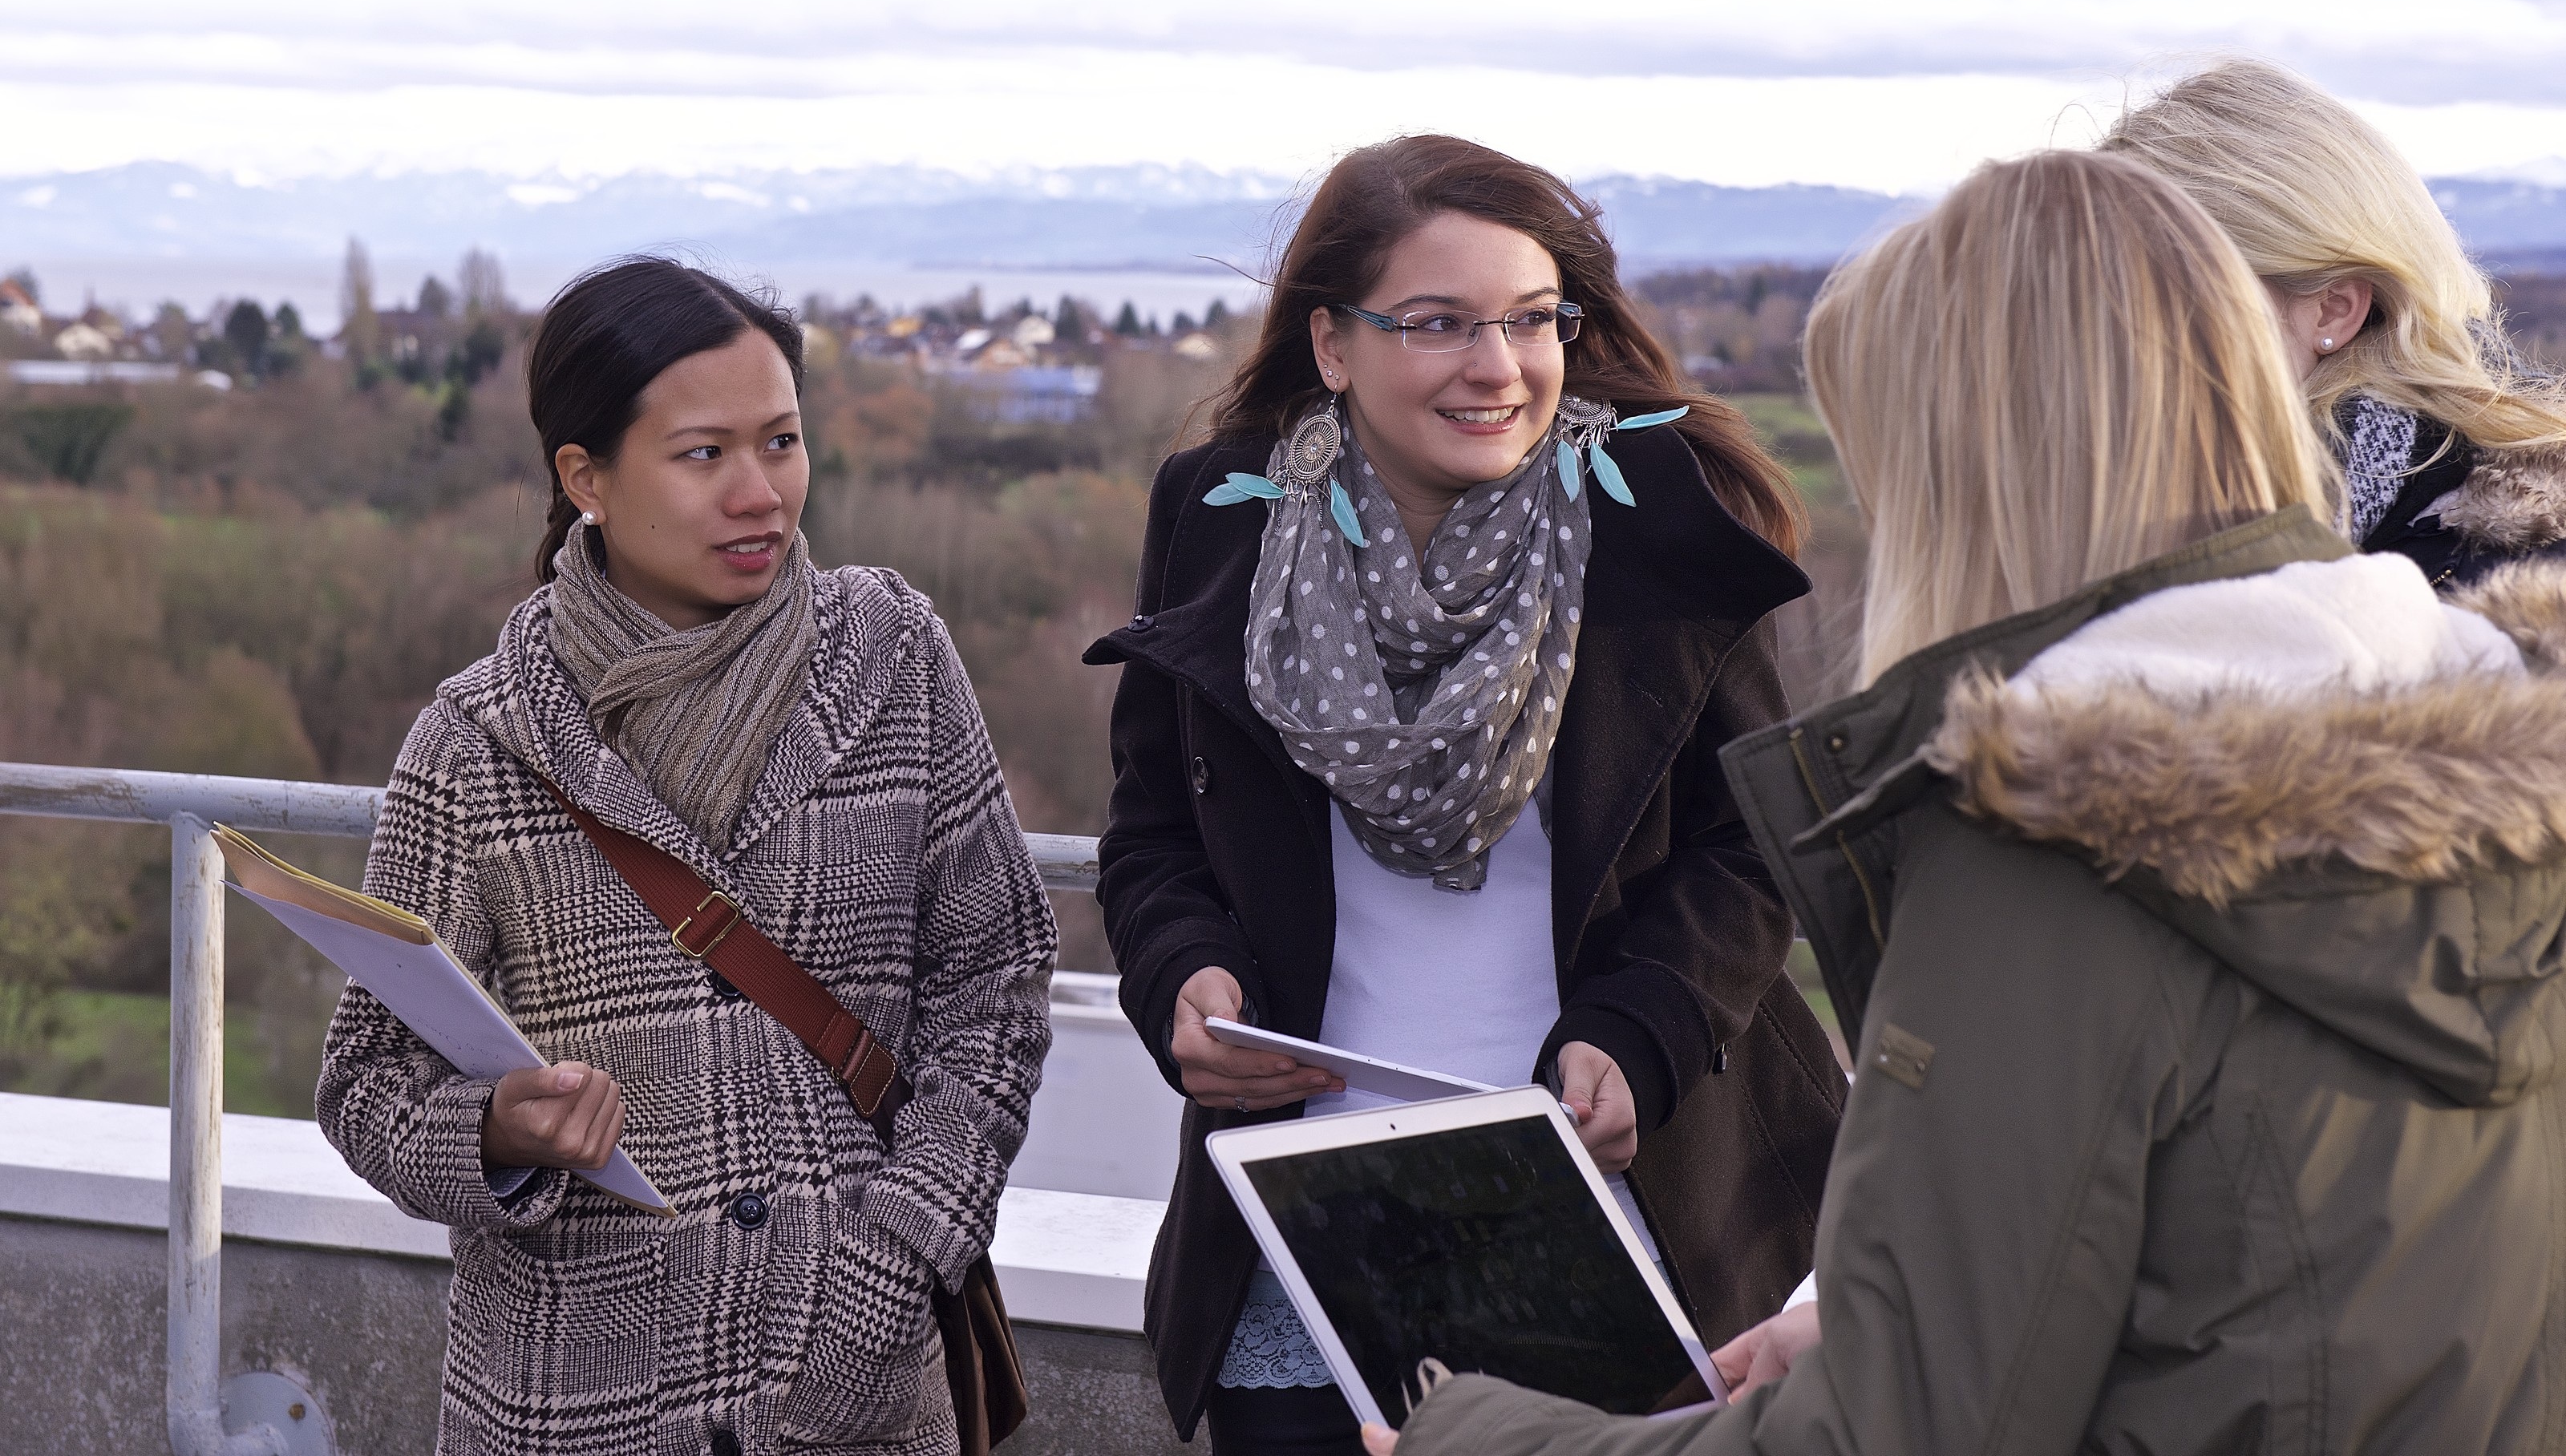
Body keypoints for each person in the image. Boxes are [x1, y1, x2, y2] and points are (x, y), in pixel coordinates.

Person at [1378, 150, 2566, 1456]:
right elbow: (2271, 1270)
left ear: (1967, 471)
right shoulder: (2488, 784)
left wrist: (1472, 1438)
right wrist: (1873, 1321)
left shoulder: (2059, 855)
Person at [1084, 135, 1848, 1456]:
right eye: (1438, 324)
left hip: (1626, 1206)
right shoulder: (1220, 514)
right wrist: (1182, 975)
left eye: (1529, 319)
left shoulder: (1662, 517)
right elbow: (1155, 828)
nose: (1498, 367)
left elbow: (1751, 848)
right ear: (1333, 345)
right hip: (1311, 1223)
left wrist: (1648, 1025)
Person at [316, 258, 1056, 1456]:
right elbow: (366, 1083)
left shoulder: (894, 656)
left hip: (859, 1377)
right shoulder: (478, 740)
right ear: (586, 476)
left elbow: (999, 982)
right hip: (571, 1390)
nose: (761, 492)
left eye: (782, 441)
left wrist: (900, 1248)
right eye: (706, 453)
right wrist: (503, 1127)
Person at [2103, 57, 2566, 585]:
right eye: (2100, 298)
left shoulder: (2516, 600)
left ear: (2334, 308)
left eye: (2165, 295)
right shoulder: (2129, 516)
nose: (2123, 338)